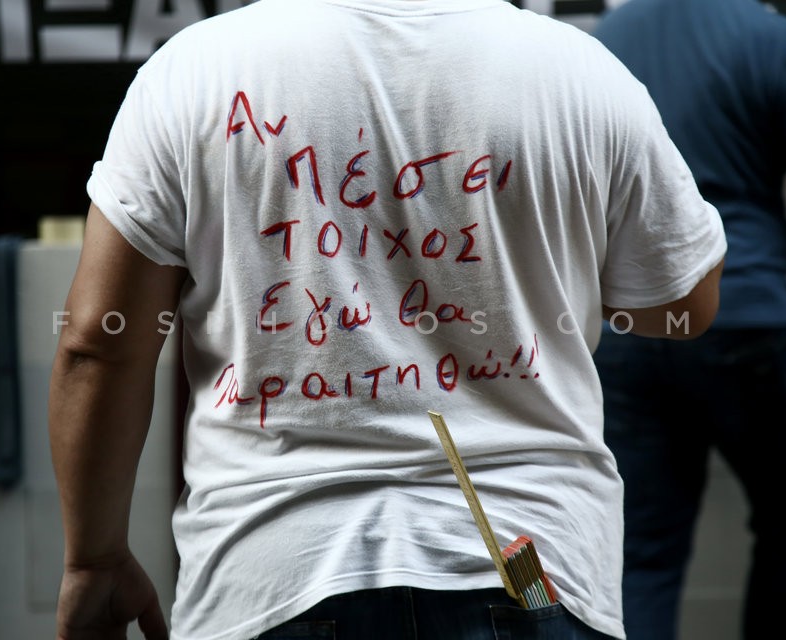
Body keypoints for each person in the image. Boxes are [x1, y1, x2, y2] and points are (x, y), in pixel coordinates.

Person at [48, 1, 726, 639]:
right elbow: (682, 307)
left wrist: (95, 559)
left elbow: (99, 343)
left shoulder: (195, 71)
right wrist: (549, 289)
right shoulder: (582, 74)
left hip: (269, 577)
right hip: (533, 572)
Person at [590, 1, 786, 639]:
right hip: (749, 319)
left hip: (630, 327)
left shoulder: (600, 48)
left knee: (645, 546)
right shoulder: (778, 45)